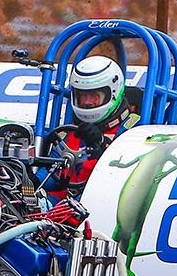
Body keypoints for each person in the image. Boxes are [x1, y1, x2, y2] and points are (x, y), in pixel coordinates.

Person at [47, 56, 141, 195]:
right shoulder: (68, 133)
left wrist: (103, 147)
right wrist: (29, 180)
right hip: (60, 207)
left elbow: (132, 174)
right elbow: (49, 172)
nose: (87, 102)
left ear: (112, 93)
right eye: (83, 96)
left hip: (104, 201)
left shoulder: (134, 129)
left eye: (95, 96)